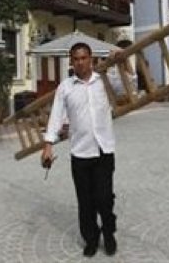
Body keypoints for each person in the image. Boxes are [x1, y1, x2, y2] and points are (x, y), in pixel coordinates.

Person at [42, 42, 118, 257]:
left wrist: (122, 61)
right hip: (80, 153)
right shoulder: (65, 87)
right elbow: (56, 117)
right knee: (85, 202)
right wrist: (48, 145)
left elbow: (128, 82)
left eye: (84, 58)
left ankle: (109, 233)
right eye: (76, 59)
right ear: (71, 61)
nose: (81, 62)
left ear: (91, 59)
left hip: (104, 150)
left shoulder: (104, 81)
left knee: (104, 198)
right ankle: (91, 239)